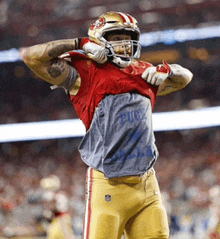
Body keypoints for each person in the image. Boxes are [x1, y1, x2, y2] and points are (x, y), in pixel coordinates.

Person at [20, 11, 193, 239]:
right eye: (117, 38)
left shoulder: (144, 72)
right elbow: (31, 57)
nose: (124, 44)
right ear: (99, 39)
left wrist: (168, 70)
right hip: (108, 184)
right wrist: (80, 43)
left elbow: (186, 77)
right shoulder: (85, 73)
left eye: (128, 37)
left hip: (147, 184)